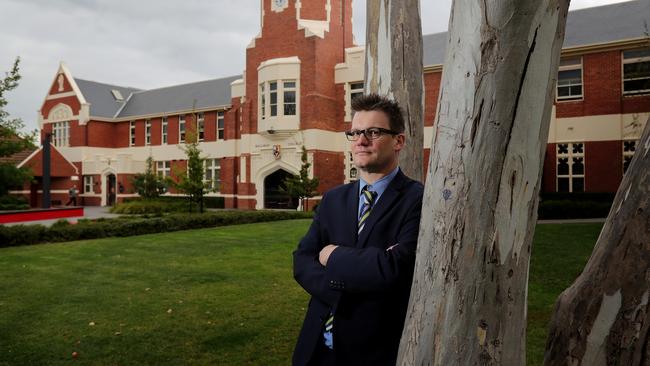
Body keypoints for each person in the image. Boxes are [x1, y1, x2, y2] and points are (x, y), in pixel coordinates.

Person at [293, 94, 424, 365]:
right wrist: (345, 288)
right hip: (315, 349)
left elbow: (394, 269)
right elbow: (302, 260)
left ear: (398, 141)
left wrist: (332, 256)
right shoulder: (333, 198)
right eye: (354, 133)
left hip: (370, 353)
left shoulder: (418, 199)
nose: (361, 141)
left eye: (373, 132)